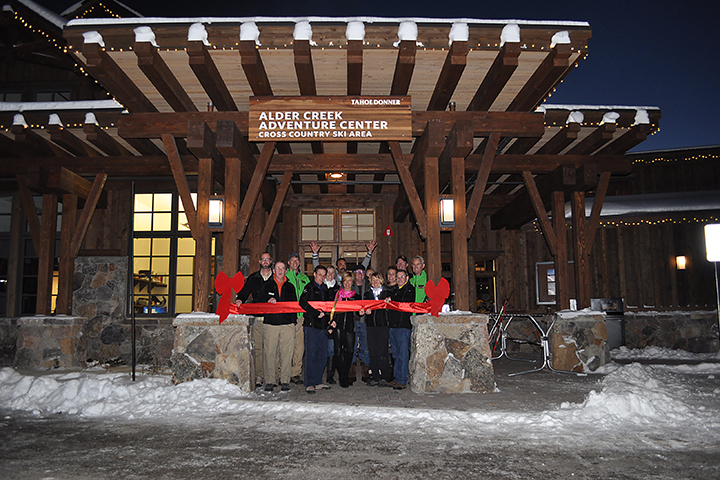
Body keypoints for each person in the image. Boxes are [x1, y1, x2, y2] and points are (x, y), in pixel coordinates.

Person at [235, 252, 273, 388]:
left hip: (272, 319)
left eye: (267, 259)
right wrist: (240, 299)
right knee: (258, 349)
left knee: (271, 349)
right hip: (258, 318)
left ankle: (272, 376)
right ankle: (259, 376)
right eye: (263, 259)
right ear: (259, 261)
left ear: (271, 261)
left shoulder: (276, 278)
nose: (265, 261)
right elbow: (245, 291)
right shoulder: (253, 278)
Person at [261, 260, 297, 392]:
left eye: (283, 268)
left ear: (286, 271)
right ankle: (270, 380)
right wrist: (267, 301)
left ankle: (285, 380)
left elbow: (294, 305)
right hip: (271, 324)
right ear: (274, 271)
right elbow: (259, 300)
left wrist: (292, 322)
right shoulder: (266, 285)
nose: (280, 270)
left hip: (287, 324)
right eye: (278, 268)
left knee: (287, 353)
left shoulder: (291, 286)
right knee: (270, 352)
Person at [299, 265, 332, 393]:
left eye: (324, 275)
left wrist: (330, 321)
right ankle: (309, 383)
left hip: (323, 328)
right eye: (320, 275)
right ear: (314, 274)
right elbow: (302, 302)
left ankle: (318, 381)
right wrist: (315, 313)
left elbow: (329, 307)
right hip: (311, 327)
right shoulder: (309, 287)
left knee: (322, 355)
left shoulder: (325, 289)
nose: (322, 277)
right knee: (311, 355)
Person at [329, 272, 361, 388]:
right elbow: (330, 308)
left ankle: (345, 373)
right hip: (337, 326)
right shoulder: (336, 294)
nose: (347, 283)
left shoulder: (356, 296)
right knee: (338, 351)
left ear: (352, 282)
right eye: (345, 281)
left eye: (349, 281)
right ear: (342, 282)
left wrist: (361, 312)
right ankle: (342, 377)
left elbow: (359, 312)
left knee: (350, 352)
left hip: (350, 326)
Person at [386, 269, 415, 390]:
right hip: (393, 326)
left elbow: (404, 303)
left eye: (402, 276)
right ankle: (397, 377)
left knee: (402, 354)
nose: (399, 279)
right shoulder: (395, 290)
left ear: (407, 278)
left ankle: (402, 379)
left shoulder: (409, 289)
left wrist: (392, 299)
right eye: (398, 277)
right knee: (396, 353)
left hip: (403, 326)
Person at [363, 271, 392, 386]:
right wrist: (366, 311)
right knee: (373, 351)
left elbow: (392, 308)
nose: (375, 282)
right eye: (373, 280)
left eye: (377, 280)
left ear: (381, 281)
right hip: (371, 326)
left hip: (383, 325)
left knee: (383, 351)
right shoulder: (367, 294)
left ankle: (385, 376)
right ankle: (375, 376)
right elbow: (363, 307)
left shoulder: (387, 293)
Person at [286, 252, 310, 384]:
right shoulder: (283, 277)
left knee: (299, 347)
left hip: (301, 317)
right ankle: (282, 372)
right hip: (287, 317)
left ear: (299, 263)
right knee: (285, 346)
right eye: (292, 261)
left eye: (297, 261)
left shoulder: (305, 278)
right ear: (288, 263)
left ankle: (295, 373)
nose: (295, 263)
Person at [311, 239, 378, 282]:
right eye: (340, 265)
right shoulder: (331, 278)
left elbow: (362, 267)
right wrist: (315, 254)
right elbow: (318, 270)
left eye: (344, 265)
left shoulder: (351, 277)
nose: (343, 266)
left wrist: (369, 252)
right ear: (336, 267)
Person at [352, 264, 371, 382]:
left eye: (362, 272)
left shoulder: (369, 286)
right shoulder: (349, 286)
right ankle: (352, 372)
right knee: (352, 346)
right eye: (358, 272)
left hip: (365, 321)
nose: (360, 274)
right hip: (353, 321)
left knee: (365, 347)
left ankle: (365, 372)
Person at [323, 265, 339, 384]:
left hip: (333, 323)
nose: (330, 275)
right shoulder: (320, 287)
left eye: (332, 273)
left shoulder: (339, 289)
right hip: (320, 322)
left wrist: (334, 322)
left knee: (331, 349)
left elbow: (340, 307)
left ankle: (330, 375)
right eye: (328, 273)